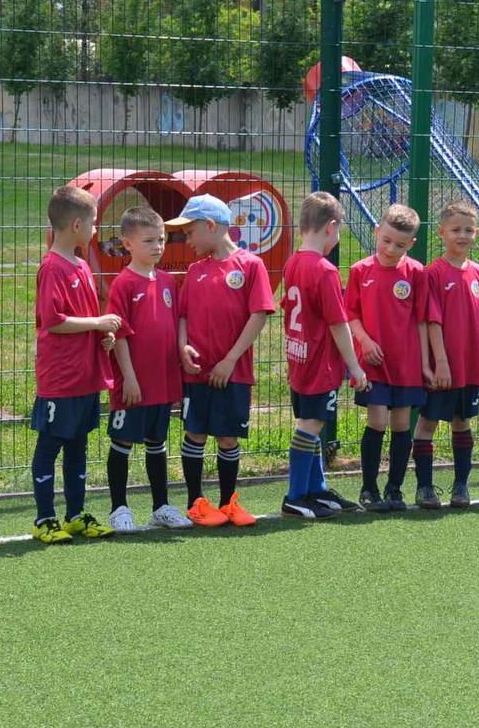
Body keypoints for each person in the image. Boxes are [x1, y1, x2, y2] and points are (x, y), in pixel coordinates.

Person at [169, 194, 274, 527]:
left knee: (228, 438)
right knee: (195, 434)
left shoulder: (251, 266)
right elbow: (183, 315)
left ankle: (228, 503)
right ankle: (196, 503)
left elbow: (259, 314)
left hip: (233, 373)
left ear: (211, 226)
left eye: (190, 233)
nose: (187, 241)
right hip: (197, 374)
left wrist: (229, 360)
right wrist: (183, 347)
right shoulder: (195, 270)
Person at [29, 185, 119, 543]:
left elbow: (84, 317)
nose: (97, 229)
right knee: (50, 446)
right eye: (94, 223)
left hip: (85, 376)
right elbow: (53, 321)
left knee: (78, 446)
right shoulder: (52, 268)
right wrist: (97, 323)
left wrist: (102, 336)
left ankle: (76, 515)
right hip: (60, 379)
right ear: (77, 225)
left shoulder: (81, 265)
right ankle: (44, 519)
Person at [281, 191, 370, 519]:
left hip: (298, 356)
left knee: (312, 424)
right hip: (319, 362)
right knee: (311, 424)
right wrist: (355, 367)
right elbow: (338, 324)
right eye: (340, 229)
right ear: (331, 227)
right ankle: (295, 496)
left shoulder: (293, 262)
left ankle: (315, 489)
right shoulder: (325, 270)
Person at [103, 206, 193, 532]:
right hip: (133, 383)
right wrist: (128, 377)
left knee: (157, 442)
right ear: (128, 244)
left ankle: (161, 507)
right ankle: (119, 508)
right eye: (149, 241)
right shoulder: (123, 284)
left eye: (161, 239)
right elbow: (120, 335)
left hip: (161, 382)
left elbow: (175, 326)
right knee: (123, 442)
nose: (157, 246)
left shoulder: (168, 281)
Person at [346, 203, 430, 512]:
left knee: (401, 424)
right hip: (372, 363)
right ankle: (369, 489)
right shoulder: (360, 270)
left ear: (412, 244)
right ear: (376, 231)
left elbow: (422, 320)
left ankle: (394, 489)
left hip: (406, 364)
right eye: (387, 241)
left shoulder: (417, 273)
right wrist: (365, 341)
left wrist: (424, 364)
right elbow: (350, 314)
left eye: (400, 245)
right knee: (378, 421)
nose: (391, 249)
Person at [415, 201, 479, 508]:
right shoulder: (432, 273)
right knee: (428, 423)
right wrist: (441, 363)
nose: (463, 235)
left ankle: (461, 486)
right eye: (456, 229)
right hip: (443, 367)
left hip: (470, 365)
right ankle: (424, 487)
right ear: (441, 232)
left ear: (477, 233)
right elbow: (432, 321)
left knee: (462, 422)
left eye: (468, 230)